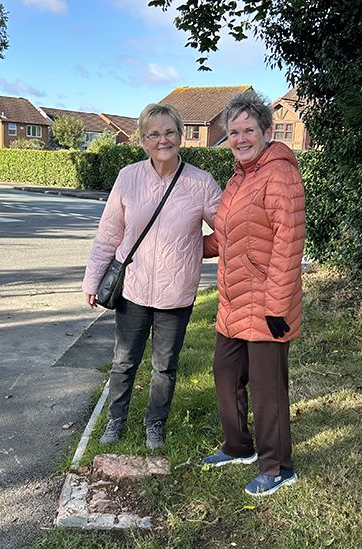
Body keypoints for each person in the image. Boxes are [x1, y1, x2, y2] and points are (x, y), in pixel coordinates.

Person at [82, 103, 222, 449]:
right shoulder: (128, 178)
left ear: (180, 135)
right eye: (154, 134)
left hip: (177, 292)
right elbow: (109, 234)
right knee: (124, 360)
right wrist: (92, 279)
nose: (164, 140)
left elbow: (227, 229)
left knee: (165, 366)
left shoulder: (201, 183)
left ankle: (154, 425)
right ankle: (116, 420)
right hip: (133, 288)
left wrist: (196, 247)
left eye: (170, 132)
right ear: (143, 140)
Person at [199, 91, 305, 497]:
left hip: (268, 304)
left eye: (247, 130)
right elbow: (229, 236)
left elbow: (288, 241)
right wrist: (190, 242)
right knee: (226, 375)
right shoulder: (239, 176)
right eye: (233, 132)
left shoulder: (279, 173)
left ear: (265, 130)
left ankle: (277, 466)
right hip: (234, 300)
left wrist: (277, 307)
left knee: (267, 389)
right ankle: (238, 446)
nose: (240, 138)